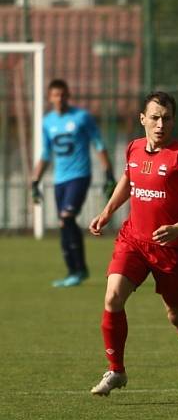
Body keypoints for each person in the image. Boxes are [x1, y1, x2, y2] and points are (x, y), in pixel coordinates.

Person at [87, 91, 178, 397]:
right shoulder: (133, 148)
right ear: (142, 119)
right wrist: (107, 212)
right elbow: (129, 180)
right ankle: (115, 370)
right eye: (155, 117)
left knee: (177, 313)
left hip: (169, 250)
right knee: (112, 298)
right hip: (132, 240)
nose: (161, 124)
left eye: (167, 118)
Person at [31, 79, 116, 287]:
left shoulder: (82, 117)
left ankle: (79, 269)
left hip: (79, 176)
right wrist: (35, 181)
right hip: (60, 180)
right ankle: (74, 271)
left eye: (63, 95)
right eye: (55, 95)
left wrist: (109, 174)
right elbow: (45, 153)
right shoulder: (48, 122)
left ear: (68, 95)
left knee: (66, 216)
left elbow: (98, 144)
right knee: (64, 223)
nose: (59, 99)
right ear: (50, 98)